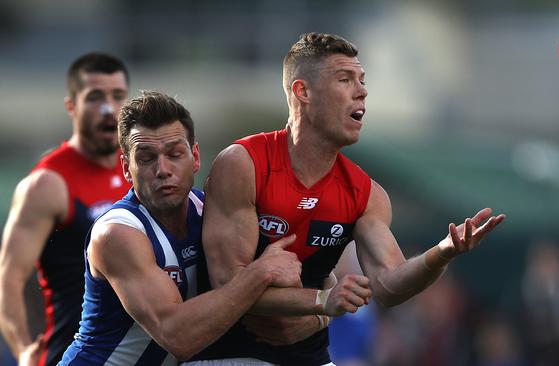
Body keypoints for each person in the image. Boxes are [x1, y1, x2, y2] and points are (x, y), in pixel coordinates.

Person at [194, 32, 506, 365]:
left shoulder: (365, 193)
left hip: (310, 358)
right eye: (345, 79)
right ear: (303, 92)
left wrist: (442, 253)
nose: (362, 91)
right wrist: (321, 301)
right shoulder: (243, 163)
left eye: (362, 80)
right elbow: (228, 285)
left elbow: (388, 284)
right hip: (230, 356)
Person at [59, 90, 303, 365]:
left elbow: (308, 275)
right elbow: (178, 337)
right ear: (127, 168)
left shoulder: (215, 211)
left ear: (195, 157)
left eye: (174, 154)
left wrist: (321, 314)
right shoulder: (117, 233)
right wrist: (259, 274)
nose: (162, 169)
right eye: (147, 158)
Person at [0, 52, 131, 366]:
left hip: (140, 352)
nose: (108, 109)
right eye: (95, 97)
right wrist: (23, 350)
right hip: (76, 354)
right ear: (72, 106)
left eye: (118, 96)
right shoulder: (47, 184)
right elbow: (10, 277)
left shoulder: (138, 170)